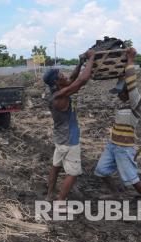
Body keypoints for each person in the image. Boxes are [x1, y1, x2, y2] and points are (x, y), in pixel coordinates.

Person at [94, 47, 141, 200]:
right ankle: (115, 193)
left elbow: (132, 84)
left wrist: (131, 60)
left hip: (124, 148)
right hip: (113, 145)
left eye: (120, 93)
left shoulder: (136, 105)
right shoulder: (123, 105)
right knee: (101, 170)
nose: (118, 96)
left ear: (127, 93)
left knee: (132, 178)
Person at [44, 50, 95, 201]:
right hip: (69, 140)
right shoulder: (61, 96)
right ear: (56, 82)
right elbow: (82, 80)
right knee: (73, 173)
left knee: (56, 166)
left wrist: (80, 63)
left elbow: (73, 78)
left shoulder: (57, 92)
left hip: (60, 139)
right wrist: (91, 58)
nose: (65, 76)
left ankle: (49, 196)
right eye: (61, 76)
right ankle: (60, 202)